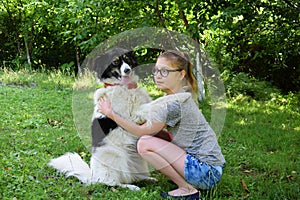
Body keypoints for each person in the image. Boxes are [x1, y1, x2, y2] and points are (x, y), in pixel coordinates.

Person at [97, 50, 225, 199]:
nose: (157, 75)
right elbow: (156, 130)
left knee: (144, 143)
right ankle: (185, 177)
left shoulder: (174, 104)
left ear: (181, 74)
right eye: (156, 70)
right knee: (154, 137)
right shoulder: (178, 95)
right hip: (211, 168)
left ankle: (187, 189)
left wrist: (111, 113)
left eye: (164, 72)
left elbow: (141, 131)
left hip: (206, 172)